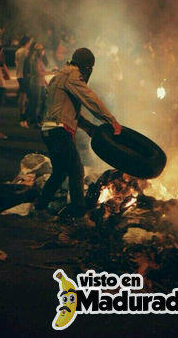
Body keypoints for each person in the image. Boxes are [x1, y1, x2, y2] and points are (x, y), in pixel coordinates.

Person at [37, 47, 122, 225]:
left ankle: (40, 208)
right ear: (87, 67)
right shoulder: (73, 76)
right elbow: (90, 99)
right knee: (76, 169)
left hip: (49, 130)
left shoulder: (59, 76)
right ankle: (79, 214)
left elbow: (67, 110)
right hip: (59, 131)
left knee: (60, 172)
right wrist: (111, 120)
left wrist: (89, 128)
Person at [15, 35, 31, 128]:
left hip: (19, 75)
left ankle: (22, 116)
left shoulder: (18, 51)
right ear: (27, 42)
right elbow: (26, 65)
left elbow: (16, 63)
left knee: (22, 97)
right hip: (24, 76)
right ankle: (23, 118)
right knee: (24, 98)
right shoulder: (25, 52)